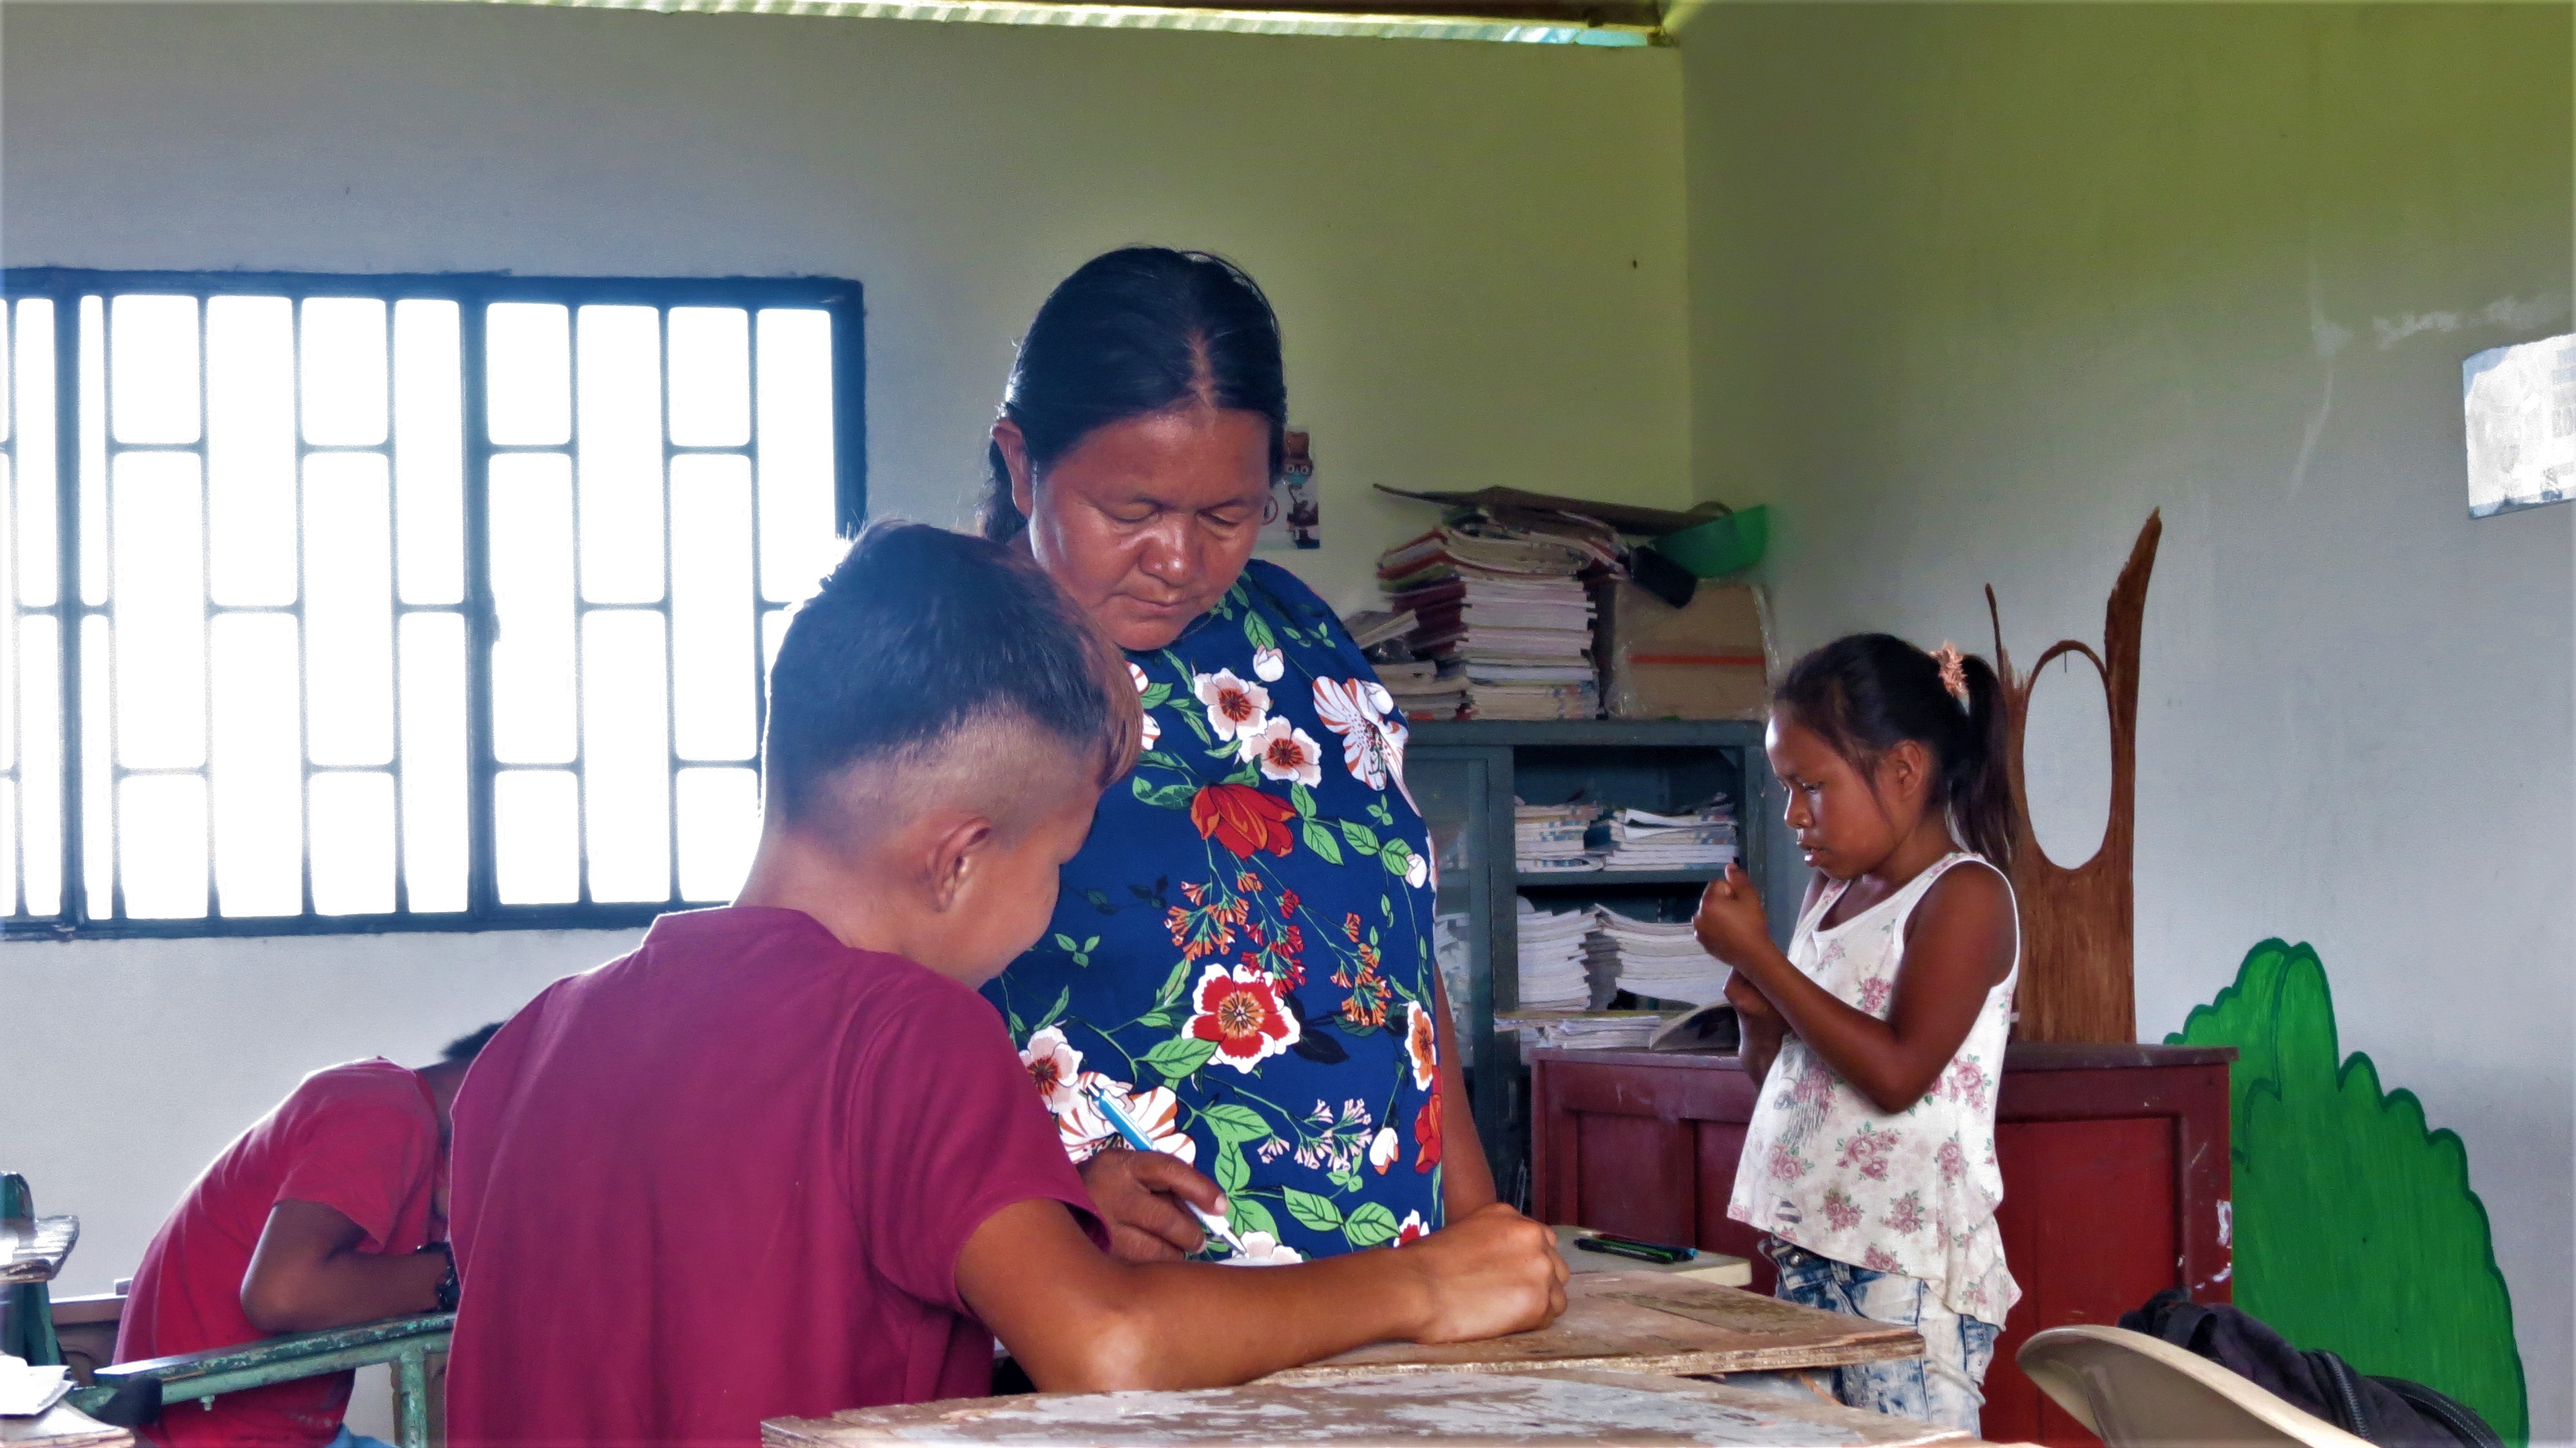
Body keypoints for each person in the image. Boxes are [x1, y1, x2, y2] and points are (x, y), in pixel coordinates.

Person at [441, 524, 1564, 1448]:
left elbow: (729, 1289)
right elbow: (1107, 1349)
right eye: (1060, 861)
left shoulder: (537, 1040)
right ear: (957, 858)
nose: (1053, 896)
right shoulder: (909, 1031)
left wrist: (1048, 1221)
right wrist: (1423, 1285)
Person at [980, 248, 1489, 1266]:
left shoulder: (1298, 635)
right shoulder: (963, 666)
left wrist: (1478, 1226)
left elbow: (1398, 957)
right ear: (1021, 463)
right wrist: (1044, 1200)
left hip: (1402, 1286)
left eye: (1227, 514)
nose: (1180, 561)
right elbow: (855, 1009)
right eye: (1132, 513)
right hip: (1131, 1300)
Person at [1689, 634, 2022, 1435]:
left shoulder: (1964, 895)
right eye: (1785, 788)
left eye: (1812, 786)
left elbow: (1898, 1073)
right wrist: (1757, 1012)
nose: (1794, 814)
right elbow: (1786, 1080)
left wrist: (1764, 960)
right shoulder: (1829, 894)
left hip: (1905, 1268)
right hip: (1812, 1245)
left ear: (1903, 769)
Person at [113, 1025, 500, 1448]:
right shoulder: (386, 1111)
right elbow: (283, 1295)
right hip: (216, 1437)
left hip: (280, 1434)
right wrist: (468, 1273)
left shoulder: (398, 1116)